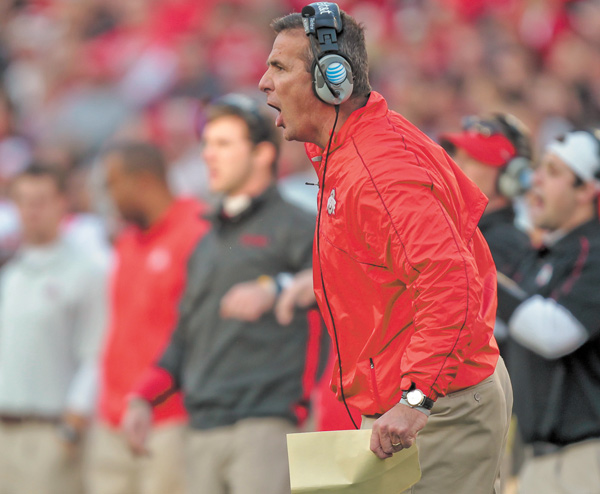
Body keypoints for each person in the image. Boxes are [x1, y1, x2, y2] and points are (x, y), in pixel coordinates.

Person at [259, 3, 512, 493]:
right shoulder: (352, 154)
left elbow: (450, 282)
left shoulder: (380, 172)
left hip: (438, 407)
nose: (264, 83)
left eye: (279, 67)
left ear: (333, 80)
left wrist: (416, 399)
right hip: (430, 400)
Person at [122, 94, 316, 494]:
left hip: (267, 424)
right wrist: (143, 397)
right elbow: (186, 333)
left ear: (263, 154)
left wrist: (273, 287)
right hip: (203, 427)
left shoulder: (298, 225)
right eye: (207, 144)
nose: (209, 155)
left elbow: (337, 283)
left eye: (224, 144)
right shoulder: (206, 241)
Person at [86, 142, 209, 494]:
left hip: (169, 419)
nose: (108, 197)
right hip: (112, 417)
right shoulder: (126, 242)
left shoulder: (197, 232)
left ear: (142, 181)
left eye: (112, 184)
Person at [496, 129, 600, 494]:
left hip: (587, 458)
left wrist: (478, 274)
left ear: (587, 189)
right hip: (539, 461)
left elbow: (554, 333)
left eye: (553, 172)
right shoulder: (542, 254)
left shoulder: (595, 251)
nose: (535, 179)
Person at [0, 164, 107, 494]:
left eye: (41, 200)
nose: (32, 211)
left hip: (49, 429)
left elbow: (96, 352)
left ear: (63, 202)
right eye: (24, 201)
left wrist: (74, 422)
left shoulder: (86, 272)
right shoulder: (10, 272)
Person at [439, 113, 532, 279]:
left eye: (472, 159)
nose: (455, 165)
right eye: (456, 155)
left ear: (509, 176)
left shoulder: (508, 243)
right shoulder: (451, 223)